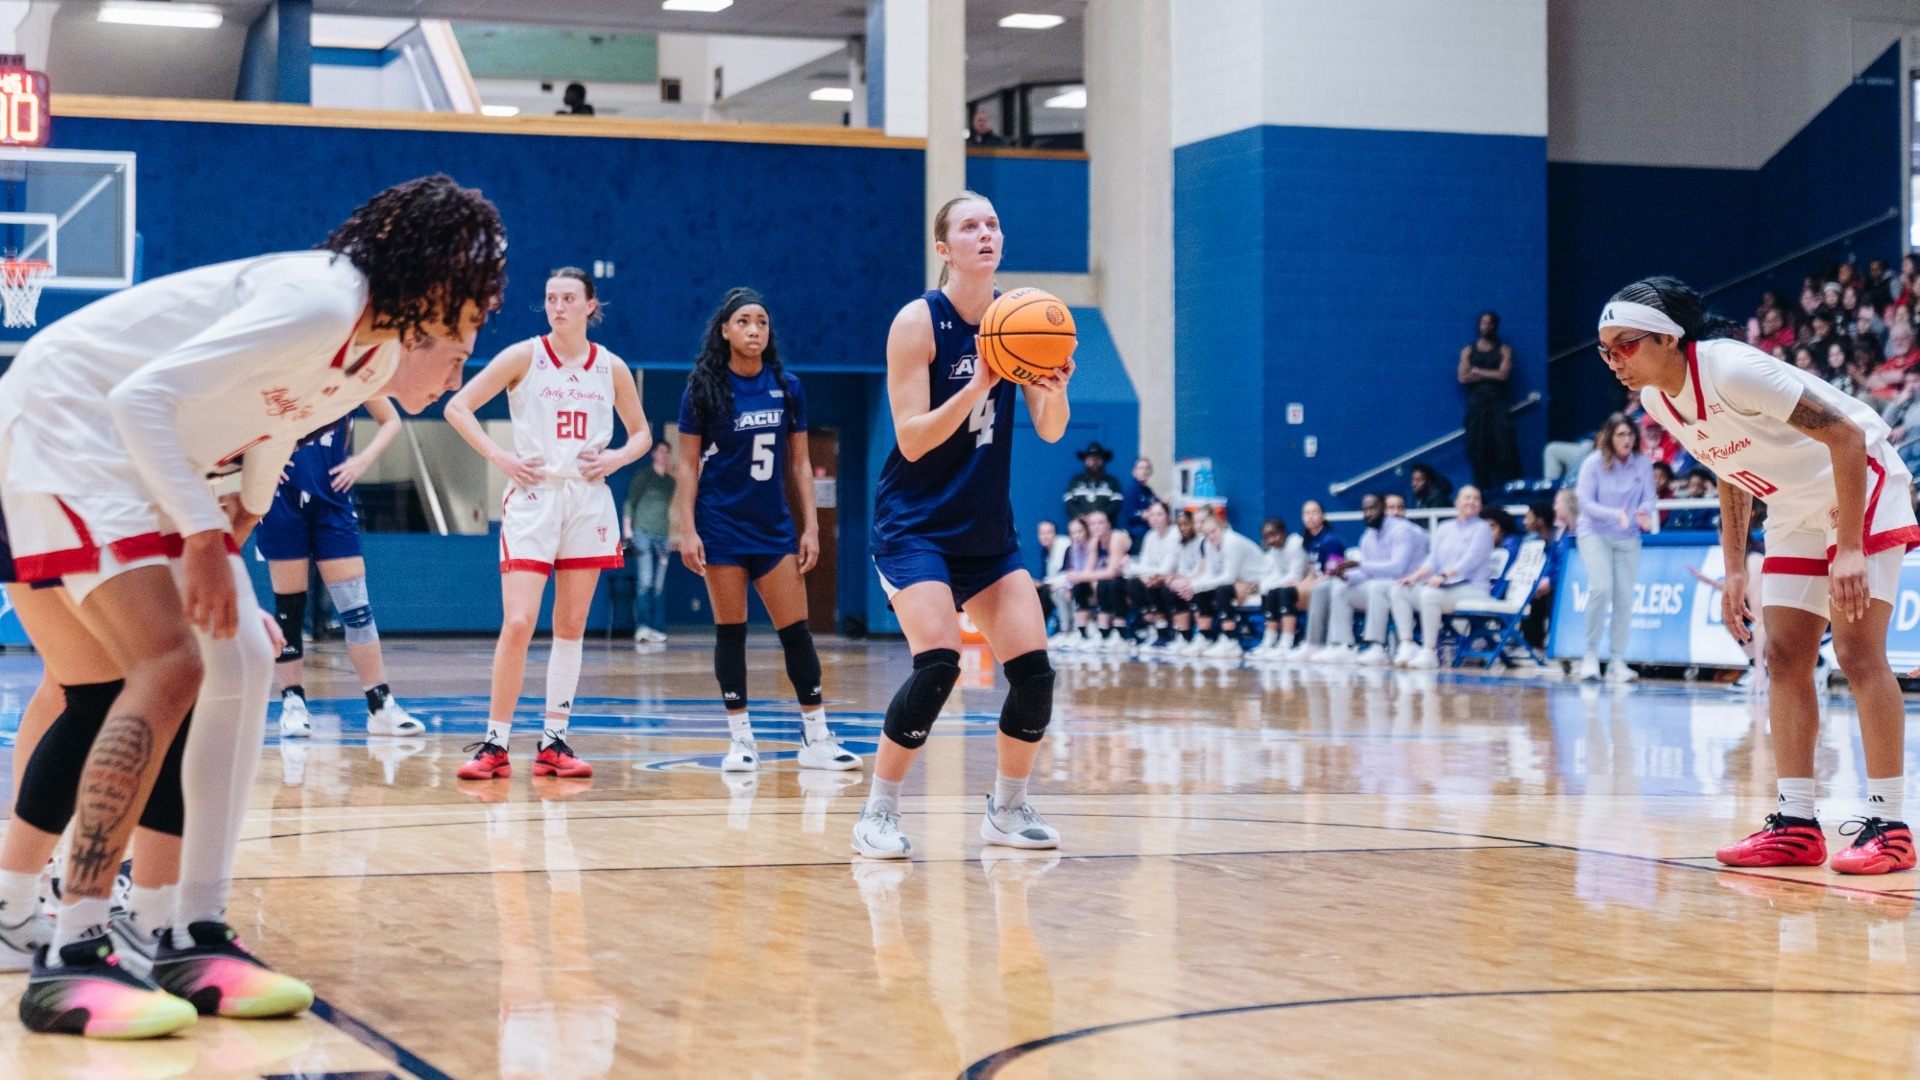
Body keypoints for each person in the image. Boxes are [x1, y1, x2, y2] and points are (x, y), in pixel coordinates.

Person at [0, 173, 504, 1037]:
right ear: (435, 276)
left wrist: (247, 508)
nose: (478, 322)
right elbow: (141, 397)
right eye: (473, 301)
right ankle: (70, 950)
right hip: (68, 421)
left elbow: (276, 423)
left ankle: (177, 928)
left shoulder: (373, 353)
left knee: (236, 660)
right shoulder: (320, 300)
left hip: (152, 456)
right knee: (169, 661)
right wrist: (201, 534)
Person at [1601, 277, 1920, 874]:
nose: (1615, 359)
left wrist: (1847, 548)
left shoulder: (1732, 369)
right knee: (1784, 657)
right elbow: (1730, 466)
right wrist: (1733, 570)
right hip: (1795, 507)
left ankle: (1892, 825)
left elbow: (1847, 436)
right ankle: (1797, 824)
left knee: (1856, 652)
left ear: (1669, 339)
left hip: (1860, 483)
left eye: (1627, 344)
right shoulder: (1657, 400)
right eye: (1607, 349)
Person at [853, 192, 1074, 860]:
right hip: (914, 525)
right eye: (970, 226)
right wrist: (979, 382)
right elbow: (914, 440)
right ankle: (878, 812)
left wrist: (1056, 385)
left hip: (984, 529)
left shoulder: (1021, 318)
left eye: (994, 224)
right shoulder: (918, 323)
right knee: (940, 662)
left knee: (1034, 673)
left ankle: (1007, 810)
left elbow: (1050, 427)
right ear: (944, 248)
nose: (986, 233)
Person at [445, 268, 650, 783]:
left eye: (568, 298)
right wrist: (501, 457)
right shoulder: (524, 355)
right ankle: (495, 744)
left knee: (571, 626)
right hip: (534, 498)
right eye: (550, 298)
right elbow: (457, 406)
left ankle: (553, 742)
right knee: (518, 622)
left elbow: (643, 433)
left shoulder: (612, 367)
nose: (557, 306)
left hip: (587, 500)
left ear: (589, 305)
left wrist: (619, 457)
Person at [674, 287, 858, 774]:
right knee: (730, 634)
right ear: (725, 331)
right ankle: (741, 741)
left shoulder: (787, 385)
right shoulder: (702, 387)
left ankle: (816, 737)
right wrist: (687, 529)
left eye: (762, 322)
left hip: (773, 528)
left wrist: (811, 528)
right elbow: (687, 467)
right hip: (721, 527)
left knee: (796, 634)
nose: (755, 330)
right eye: (745, 322)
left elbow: (800, 464)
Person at [258, 398, 423, 739]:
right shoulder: (279, 367)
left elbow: (391, 419)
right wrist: (257, 463)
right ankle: (293, 702)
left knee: (357, 608)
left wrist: (362, 461)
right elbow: (235, 416)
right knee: (289, 610)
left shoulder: (352, 369)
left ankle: (380, 705)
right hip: (281, 498)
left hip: (333, 498)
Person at [1574, 413, 1656, 683]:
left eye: (1631, 435)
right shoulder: (1593, 463)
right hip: (1594, 533)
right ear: (1609, 437)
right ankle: (1589, 655)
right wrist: (1614, 515)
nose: (1627, 440)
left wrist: (1643, 513)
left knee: (1623, 598)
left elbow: (1649, 499)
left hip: (1629, 536)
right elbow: (1584, 502)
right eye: (1621, 434)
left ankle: (1617, 661)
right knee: (1601, 588)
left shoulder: (1643, 465)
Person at [1307, 494, 1428, 664]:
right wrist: (1345, 575)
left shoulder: (1402, 530)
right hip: (1385, 585)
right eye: (1365, 510)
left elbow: (1397, 568)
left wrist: (1360, 564)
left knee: (1376, 587)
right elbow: (1367, 572)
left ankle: (1377, 647)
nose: (1368, 513)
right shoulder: (1368, 536)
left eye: (1373, 508)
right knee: (1340, 587)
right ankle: (1343, 646)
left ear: (1384, 509)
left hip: (1408, 583)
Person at [1389, 486, 1495, 669]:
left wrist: (1443, 576)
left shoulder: (1482, 528)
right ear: (1456, 503)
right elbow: (1432, 560)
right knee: (1399, 590)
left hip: (1473, 588)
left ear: (1480, 505)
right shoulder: (1444, 528)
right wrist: (1413, 577)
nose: (1471, 501)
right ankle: (1407, 644)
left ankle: (1429, 651)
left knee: (1430, 595)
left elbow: (1470, 561)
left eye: (1476, 499)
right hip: (1447, 586)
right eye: (1466, 498)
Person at [1184, 510, 1263, 659]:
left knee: (1222, 590)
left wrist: (1198, 585)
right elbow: (1210, 574)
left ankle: (1230, 641)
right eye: (1206, 534)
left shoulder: (1232, 542)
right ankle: (1205, 637)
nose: (1210, 536)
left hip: (1258, 582)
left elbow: (1228, 577)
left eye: (1213, 531)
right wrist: (1194, 585)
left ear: (1222, 528)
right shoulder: (1209, 544)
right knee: (1202, 593)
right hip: (1239, 582)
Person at [1459, 311, 1521, 491]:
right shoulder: (1468, 350)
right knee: (1478, 449)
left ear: (1495, 326)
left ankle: (1510, 490)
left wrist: (1476, 371)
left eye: (1489, 323)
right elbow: (1463, 376)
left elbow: (1503, 375)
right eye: (1483, 323)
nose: (1486, 326)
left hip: (1498, 405)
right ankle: (1482, 492)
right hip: (1477, 405)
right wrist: (1489, 374)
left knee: (1505, 448)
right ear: (1479, 325)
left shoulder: (1504, 349)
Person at [623, 440, 676, 643]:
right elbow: (630, 502)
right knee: (645, 581)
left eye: (668, 452)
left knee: (658, 585)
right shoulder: (643, 476)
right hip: (642, 533)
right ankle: (642, 627)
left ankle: (656, 628)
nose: (665, 455)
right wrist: (628, 530)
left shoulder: (671, 482)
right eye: (662, 451)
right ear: (654, 454)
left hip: (662, 536)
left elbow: (665, 506)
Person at [1283, 500, 1345, 660]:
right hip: (1317, 583)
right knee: (1281, 591)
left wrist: (1310, 584)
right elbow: (1313, 571)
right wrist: (1301, 583)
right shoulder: (1310, 542)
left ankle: (1312, 643)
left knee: (1291, 594)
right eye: (1306, 513)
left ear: (1323, 516)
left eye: (1314, 512)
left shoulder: (1330, 541)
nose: (1310, 517)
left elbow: (1333, 572)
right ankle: (1281, 642)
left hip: (1330, 584)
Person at [1062, 509, 1130, 653]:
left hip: (1128, 580)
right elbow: (1088, 571)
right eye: (1093, 524)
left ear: (1108, 524)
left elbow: (1111, 572)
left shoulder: (1116, 537)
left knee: (1109, 584)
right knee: (1081, 586)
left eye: (1101, 523)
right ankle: (1087, 633)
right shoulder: (1094, 542)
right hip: (1106, 580)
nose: (1097, 526)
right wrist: (1078, 578)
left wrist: (1080, 576)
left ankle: (1121, 634)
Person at [1519, 493, 1575, 652]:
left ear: (1540, 520)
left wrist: (1550, 581)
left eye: (1528, 518)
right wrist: (1541, 581)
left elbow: (1565, 565)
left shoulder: (1563, 536)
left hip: (1565, 584)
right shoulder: (1533, 540)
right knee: (1531, 593)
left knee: (1552, 595)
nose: (1524, 522)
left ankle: (1556, 642)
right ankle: (1533, 645)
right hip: (1549, 583)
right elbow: (1549, 563)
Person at [1123, 500, 1179, 648]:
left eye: (1159, 514)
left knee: (1153, 584)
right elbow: (1143, 565)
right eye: (1152, 515)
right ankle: (1151, 626)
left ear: (1167, 516)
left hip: (1173, 578)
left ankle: (1167, 631)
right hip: (1155, 578)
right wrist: (1139, 571)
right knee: (1133, 583)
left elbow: (1167, 568)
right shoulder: (1150, 536)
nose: (1155, 518)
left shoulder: (1174, 534)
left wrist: (1138, 570)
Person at [1250, 517, 1308, 658]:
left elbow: (1296, 575)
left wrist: (1271, 586)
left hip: (1305, 583)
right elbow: (1277, 574)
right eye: (1267, 538)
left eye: (1274, 535)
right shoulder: (1275, 550)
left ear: (1284, 532)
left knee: (1280, 592)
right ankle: (1270, 640)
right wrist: (1262, 585)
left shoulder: (1295, 544)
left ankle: (1286, 642)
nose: (1271, 540)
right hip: (1290, 586)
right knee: (1269, 590)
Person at [1044, 516, 1091, 649]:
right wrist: (1067, 585)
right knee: (1057, 590)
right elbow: (1068, 572)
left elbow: (1089, 571)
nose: (1077, 536)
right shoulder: (1071, 549)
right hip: (1076, 582)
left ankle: (1079, 631)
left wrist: (1069, 585)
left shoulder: (1091, 547)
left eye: (1080, 531)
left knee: (1075, 590)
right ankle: (1066, 631)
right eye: (1073, 532)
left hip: (1088, 582)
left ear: (1087, 531)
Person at [1063, 441, 1123, 522]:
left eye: (1098, 458)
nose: (1094, 461)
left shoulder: (1112, 482)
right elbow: (1069, 503)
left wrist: (1098, 519)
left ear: (1103, 461)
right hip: (1081, 529)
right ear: (1086, 461)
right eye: (1091, 458)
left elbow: (1116, 504)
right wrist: (1081, 516)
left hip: (1105, 529)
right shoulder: (1075, 482)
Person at [1033, 519, 1069, 633]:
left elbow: (1064, 572)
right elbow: (1049, 576)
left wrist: (1043, 583)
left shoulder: (1063, 544)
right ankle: (1037, 631)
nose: (1045, 536)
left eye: (1049, 532)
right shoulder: (1045, 551)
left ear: (1055, 534)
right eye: (1042, 533)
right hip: (1055, 583)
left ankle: (1062, 631)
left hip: (1068, 582)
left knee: (1045, 591)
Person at [1119, 456, 1160, 546]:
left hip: (1149, 531)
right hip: (1135, 534)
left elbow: (1157, 504)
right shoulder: (1131, 490)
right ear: (1134, 472)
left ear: (1151, 472)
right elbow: (1127, 514)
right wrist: (1142, 515)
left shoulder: (1148, 491)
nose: (1144, 471)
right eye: (1141, 468)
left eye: (1147, 468)